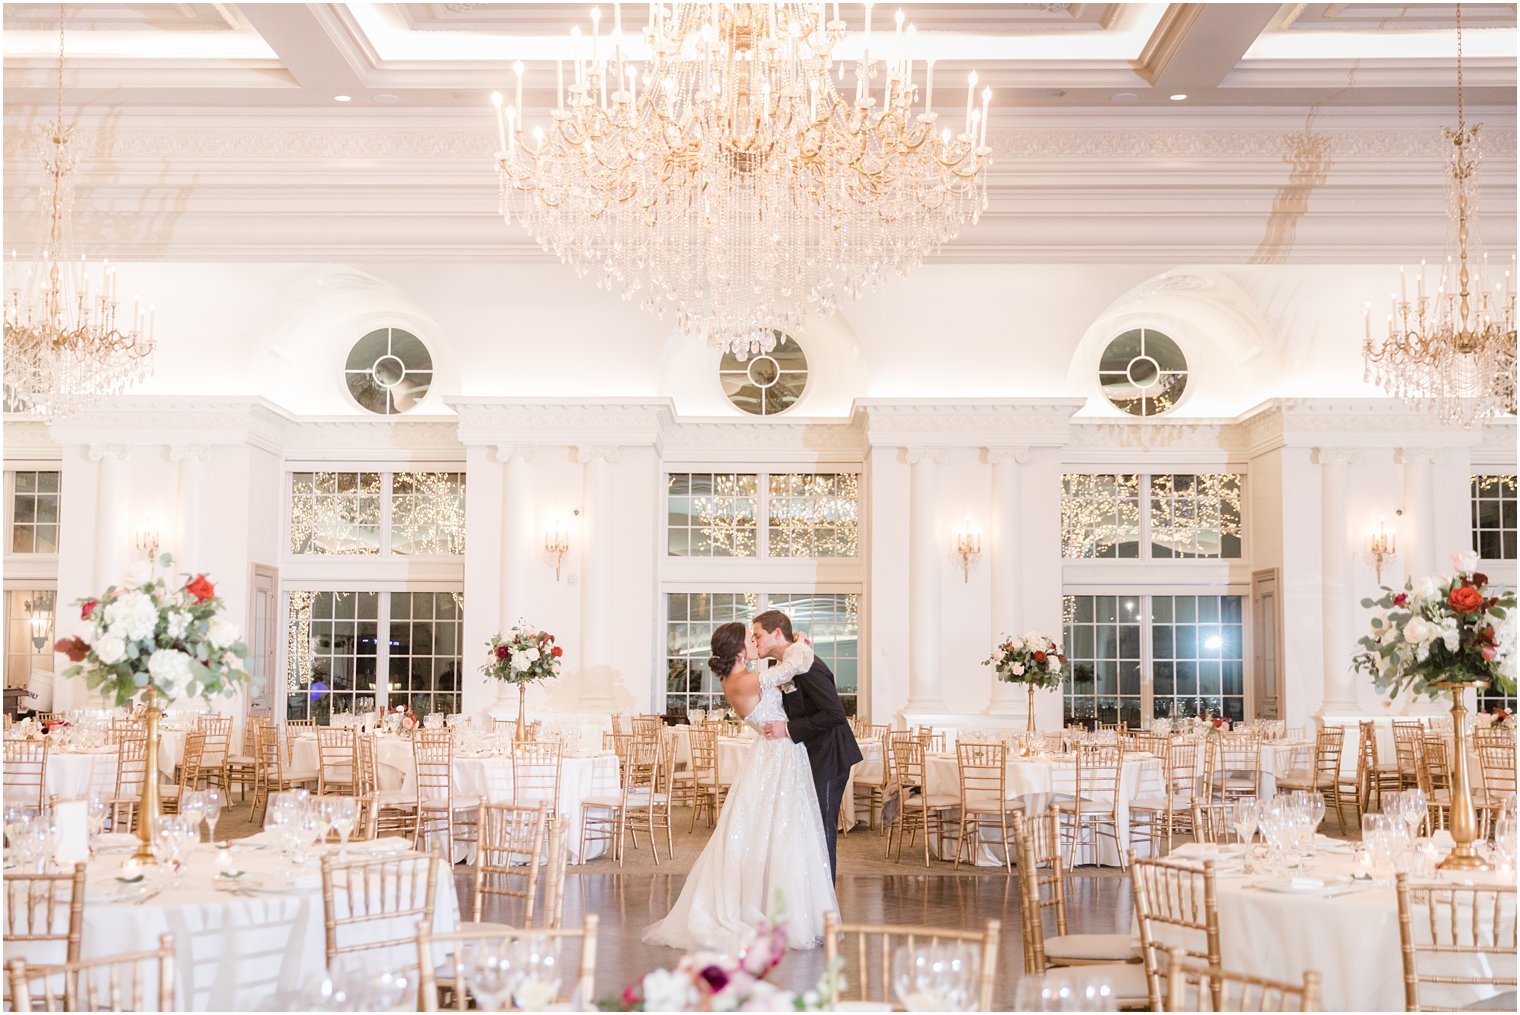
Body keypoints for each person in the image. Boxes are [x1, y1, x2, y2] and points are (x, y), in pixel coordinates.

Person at [642, 622, 836, 952]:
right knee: (780, 830)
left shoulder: (734, 678)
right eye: (751, 639)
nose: (755, 643)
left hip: (776, 754)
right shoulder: (746, 680)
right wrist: (800, 643)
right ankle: (775, 907)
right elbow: (797, 665)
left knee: (772, 829)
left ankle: (773, 899)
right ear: (740, 650)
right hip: (776, 756)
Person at [756, 609, 863, 881]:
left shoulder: (807, 664)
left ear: (777, 633)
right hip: (809, 753)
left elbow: (835, 713)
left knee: (822, 822)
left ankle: (826, 892)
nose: (755, 642)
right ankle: (811, 888)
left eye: (758, 636)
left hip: (830, 754)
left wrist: (788, 729)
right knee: (807, 822)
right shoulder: (784, 666)